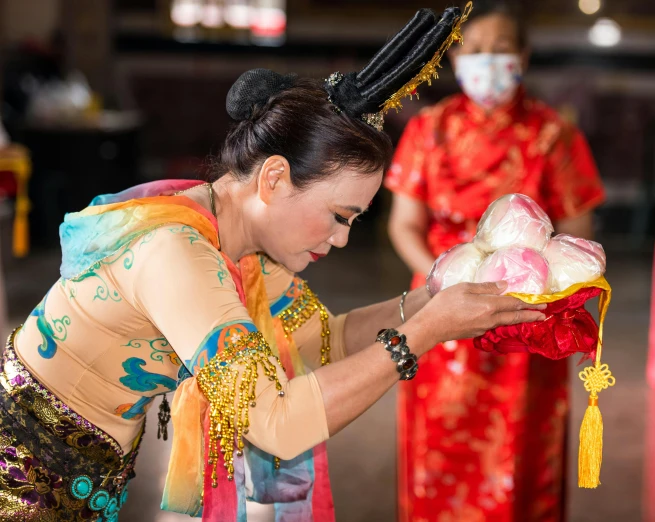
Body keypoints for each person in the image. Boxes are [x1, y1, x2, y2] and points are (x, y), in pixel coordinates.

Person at [0, 5, 547, 522]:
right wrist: (425, 332)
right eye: (338, 215)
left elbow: (323, 342)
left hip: (83, 481)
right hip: (20, 481)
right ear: (275, 178)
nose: (340, 240)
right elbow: (276, 424)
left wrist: (434, 297)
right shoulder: (177, 252)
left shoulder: (243, 250)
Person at [386, 2, 606, 520]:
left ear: (524, 56)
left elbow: (578, 240)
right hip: (440, 310)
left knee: (521, 445)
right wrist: (447, 284)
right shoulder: (428, 130)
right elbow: (403, 224)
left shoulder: (554, 134)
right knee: (439, 444)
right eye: (475, 49)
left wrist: (532, 293)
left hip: (528, 317)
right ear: (457, 55)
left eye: (501, 49)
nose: (487, 60)